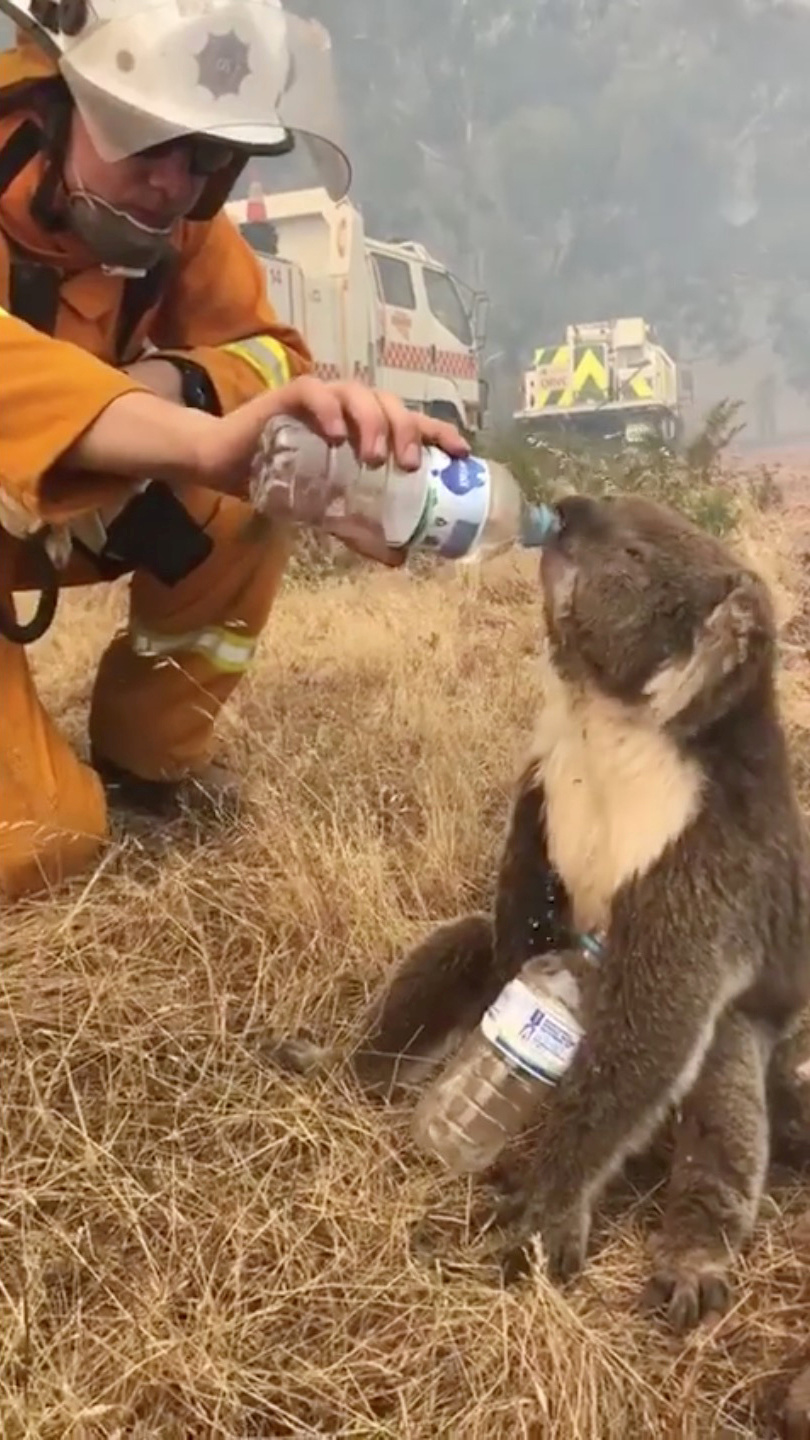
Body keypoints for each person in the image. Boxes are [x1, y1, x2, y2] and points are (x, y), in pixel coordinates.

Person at [0, 0, 468, 900]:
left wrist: (180, 400)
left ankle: (147, 773)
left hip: (40, 509)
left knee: (261, 489)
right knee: (41, 843)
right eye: (155, 141)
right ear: (67, 98)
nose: (176, 184)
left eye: (210, 155)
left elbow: (270, 355)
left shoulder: (180, 225)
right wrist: (201, 443)